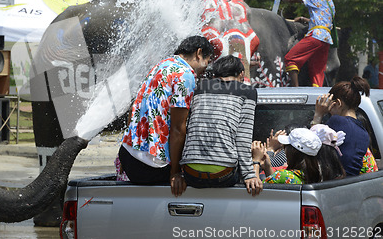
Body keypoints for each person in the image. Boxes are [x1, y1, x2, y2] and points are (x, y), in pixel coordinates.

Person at [119, 36, 213, 196]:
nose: (205, 69)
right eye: (207, 61)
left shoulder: (161, 65)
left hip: (127, 155)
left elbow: (133, 108)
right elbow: (178, 129)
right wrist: (175, 172)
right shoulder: (186, 75)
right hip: (150, 166)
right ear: (199, 53)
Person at [179, 55, 262, 196]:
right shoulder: (247, 92)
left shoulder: (198, 87)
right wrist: (249, 174)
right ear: (241, 74)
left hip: (190, 173)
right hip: (223, 175)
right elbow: (243, 136)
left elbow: (185, 127)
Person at [275, 0, 335, 87]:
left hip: (316, 36)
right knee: (317, 72)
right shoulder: (331, 3)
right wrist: (305, 19)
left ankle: (296, 89)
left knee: (291, 59)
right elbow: (324, 22)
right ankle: (316, 96)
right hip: (326, 40)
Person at [311, 76, 371, 176]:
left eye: (330, 105)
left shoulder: (337, 121)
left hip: (332, 183)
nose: (329, 111)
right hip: (349, 182)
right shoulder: (363, 131)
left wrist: (318, 115)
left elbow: (310, 145)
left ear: (338, 103)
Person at [252, 128, 323, 184]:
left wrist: (256, 161)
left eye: (285, 147)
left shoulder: (284, 176)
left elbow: (255, 190)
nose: (284, 149)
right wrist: (267, 167)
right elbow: (276, 183)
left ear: (293, 152)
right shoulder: (315, 174)